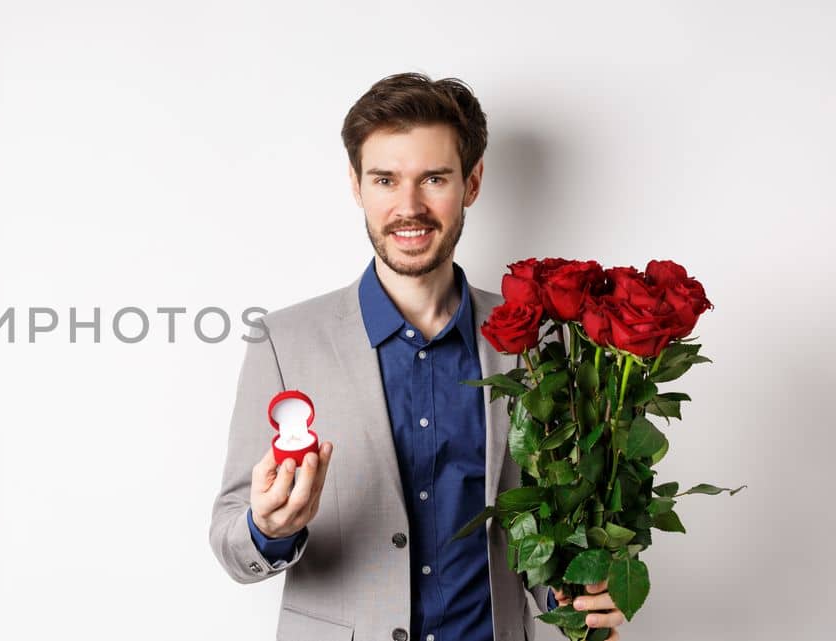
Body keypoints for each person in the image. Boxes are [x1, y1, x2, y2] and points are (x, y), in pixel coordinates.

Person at [207, 73, 629, 641]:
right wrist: (267, 527)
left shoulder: (536, 341)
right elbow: (232, 544)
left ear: (472, 182)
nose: (409, 208)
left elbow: (541, 529)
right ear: (356, 185)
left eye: (433, 178)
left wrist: (573, 591)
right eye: (385, 179)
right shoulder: (284, 341)